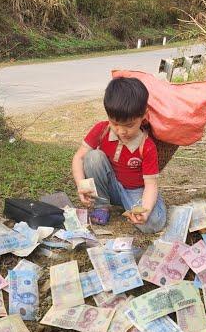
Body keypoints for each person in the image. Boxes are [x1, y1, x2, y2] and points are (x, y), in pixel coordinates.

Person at [71, 77, 167, 234]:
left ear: (144, 115)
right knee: (93, 157)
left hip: (135, 191)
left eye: (129, 125)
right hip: (110, 187)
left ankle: (138, 205)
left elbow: (150, 184)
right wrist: (81, 186)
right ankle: (101, 205)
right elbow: (79, 157)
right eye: (115, 123)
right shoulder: (101, 130)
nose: (121, 131)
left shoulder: (147, 146)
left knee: (153, 224)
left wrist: (146, 210)